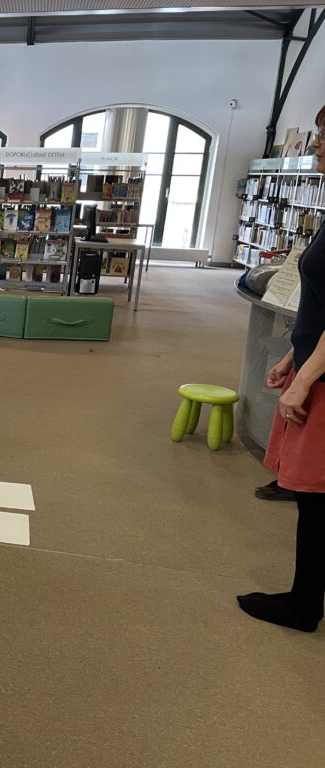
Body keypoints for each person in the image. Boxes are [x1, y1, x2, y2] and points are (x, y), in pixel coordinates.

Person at [237, 108, 325, 633]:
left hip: (324, 381)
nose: (315, 145)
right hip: (314, 363)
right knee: (314, 497)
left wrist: (307, 379)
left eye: (324, 136)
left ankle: (303, 605)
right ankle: (305, 598)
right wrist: (296, 356)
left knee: (315, 496)